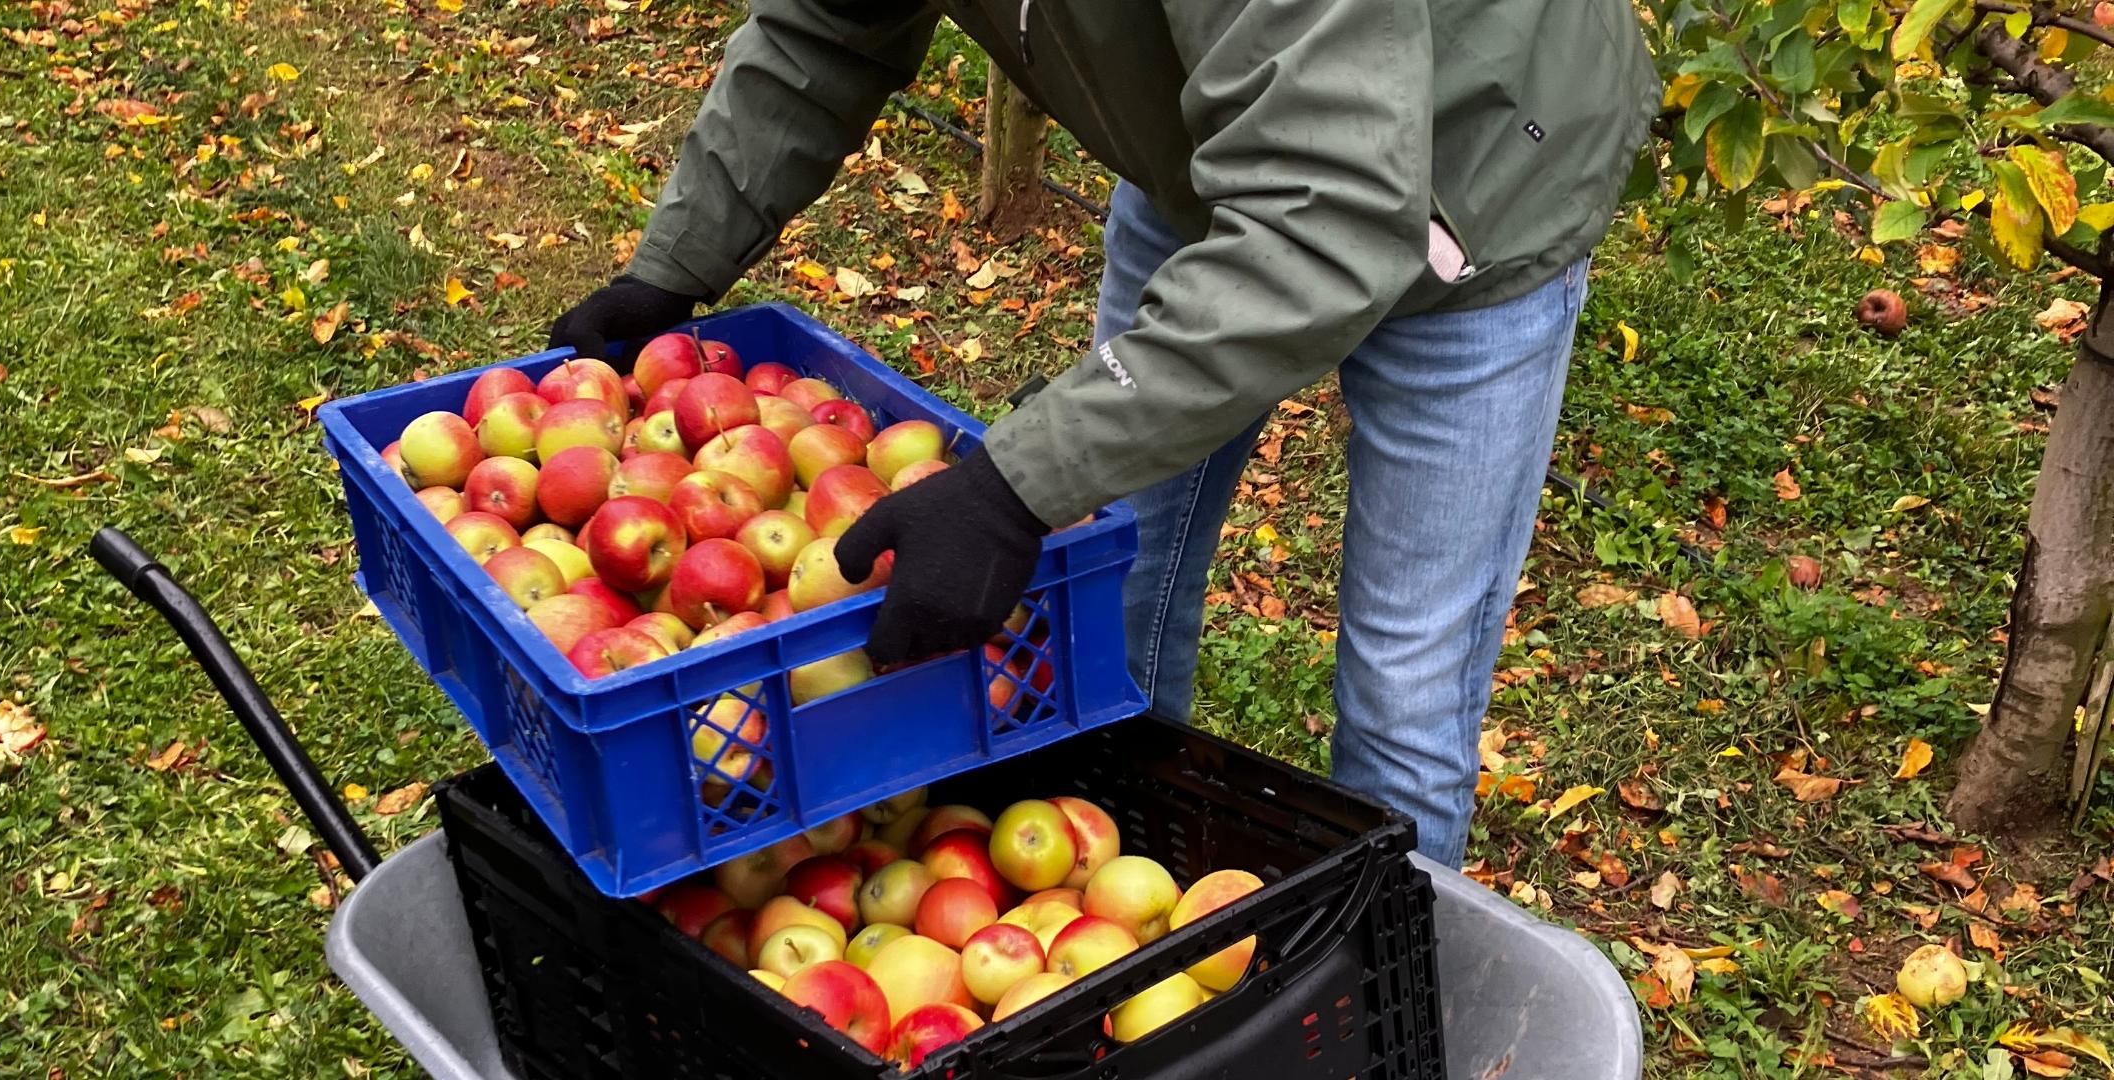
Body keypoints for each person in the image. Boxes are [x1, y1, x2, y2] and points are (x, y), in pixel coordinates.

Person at [550, 0, 1657, 867]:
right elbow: (822, 28)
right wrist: (674, 269)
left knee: (1402, 694)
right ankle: (1105, 886)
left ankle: (1390, 992)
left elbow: (1326, 219)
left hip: (1485, 183)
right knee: (1106, 593)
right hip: (1216, 156)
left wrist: (1016, 484)